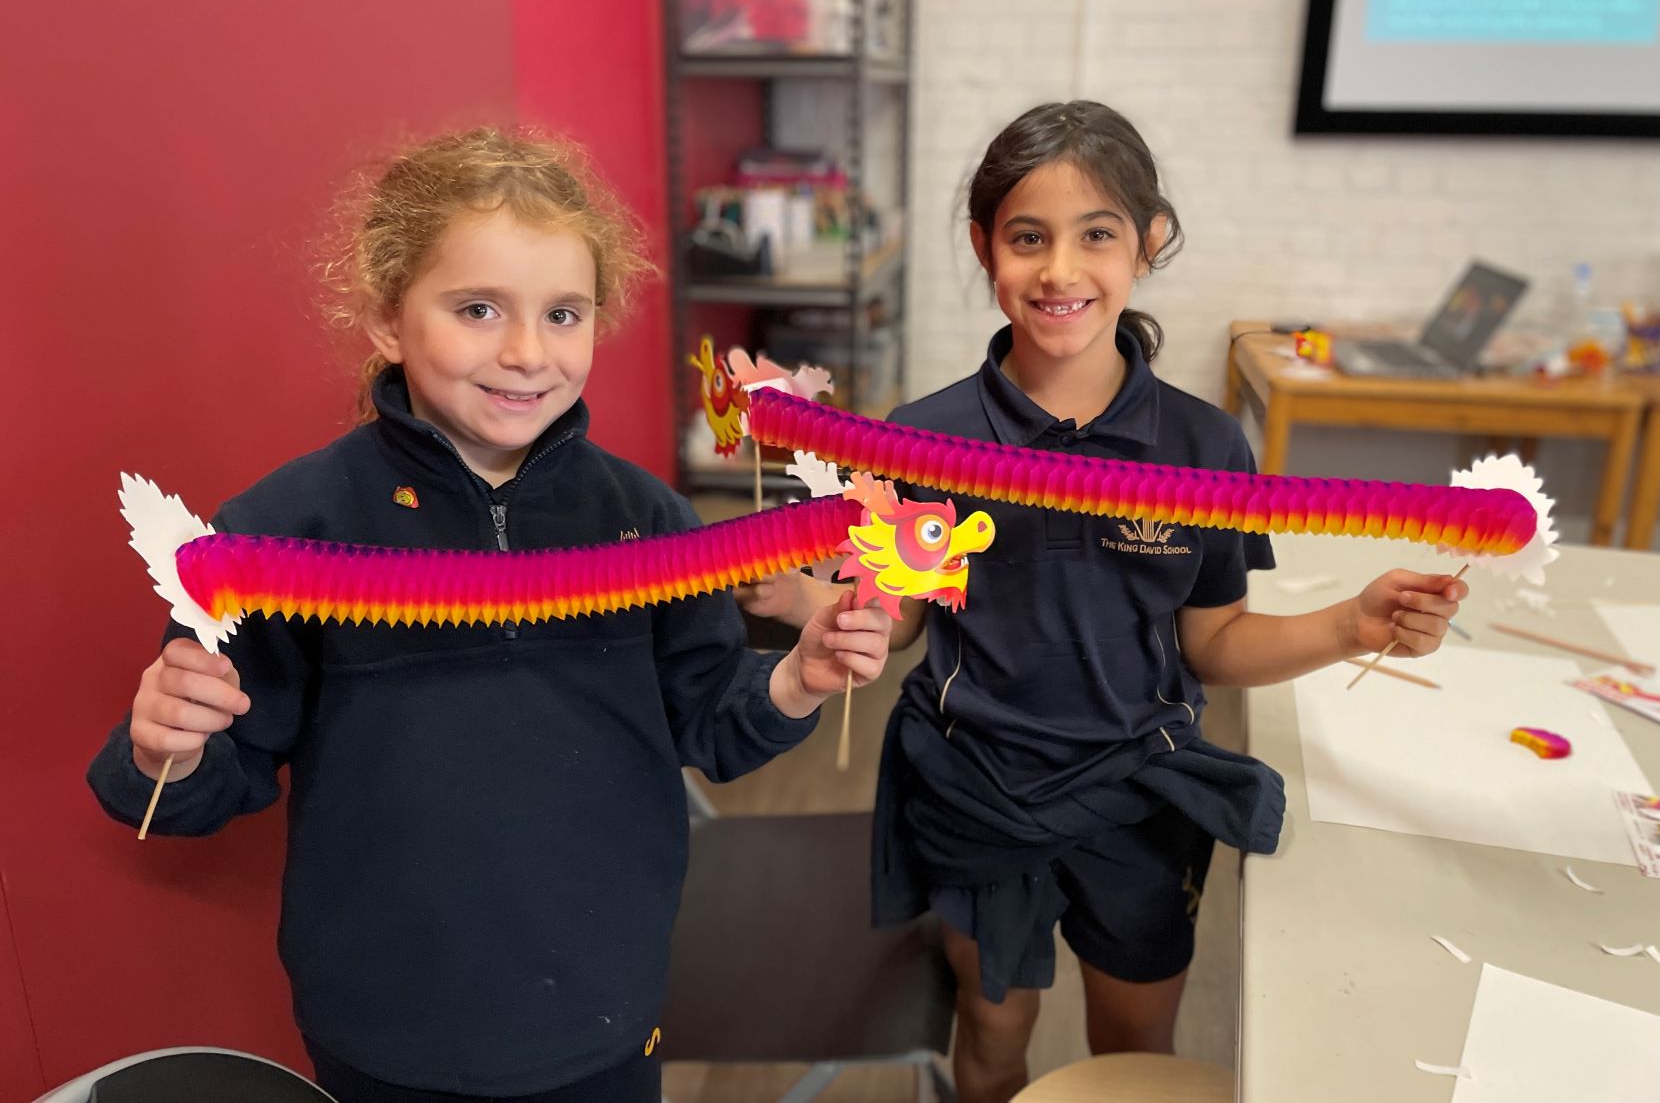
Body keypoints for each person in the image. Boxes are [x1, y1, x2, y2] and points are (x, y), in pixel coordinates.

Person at [88, 127, 893, 1103]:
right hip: (384, 1030)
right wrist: (163, 752)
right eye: (478, 309)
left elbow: (711, 723)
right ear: (387, 317)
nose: (526, 353)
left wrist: (798, 679)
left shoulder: (647, 520)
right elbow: (202, 784)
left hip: (602, 1010)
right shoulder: (282, 529)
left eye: (563, 314)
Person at [738, 101, 1466, 1102]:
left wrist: (1352, 625)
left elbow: (1212, 641)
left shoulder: (1204, 446)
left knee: (1134, 1054)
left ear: (1148, 242)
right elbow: (901, 621)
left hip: (1140, 796)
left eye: (1096, 235)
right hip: (977, 788)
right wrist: (808, 601)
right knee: (992, 1033)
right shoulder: (922, 436)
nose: (1059, 271)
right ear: (983, 247)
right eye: (1027, 238)